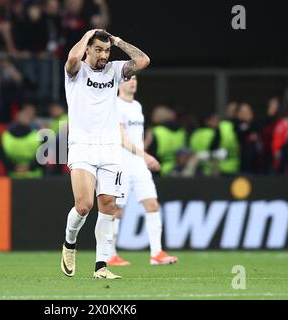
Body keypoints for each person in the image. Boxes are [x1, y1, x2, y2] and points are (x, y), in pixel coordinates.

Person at [61, 29, 150, 280]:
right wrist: (87, 34)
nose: (103, 55)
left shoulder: (114, 70)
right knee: (84, 205)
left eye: (106, 50)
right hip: (82, 145)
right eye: (98, 49)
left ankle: (101, 266)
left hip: (110, 147)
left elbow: (143, 61)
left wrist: (119, 41)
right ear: (87, 49)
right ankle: (70, 242)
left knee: (108, 205)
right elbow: (71, 59)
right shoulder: (76, 72)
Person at [107, 75, 178, 267]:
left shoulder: (137, 106)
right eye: (129, 78)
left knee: (153, 204)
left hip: (138, 164)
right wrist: (145, 155)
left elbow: (135, 138)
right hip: (120, 163)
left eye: (135, 78)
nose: (133, 81)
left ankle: (156, 253)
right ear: (119, 83)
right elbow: (122, 139)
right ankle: (110, 254)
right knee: (116, 209)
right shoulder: (114, 105)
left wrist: (143, 152)